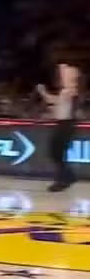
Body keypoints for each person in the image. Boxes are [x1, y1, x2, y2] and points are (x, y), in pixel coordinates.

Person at [36, 61, 79, 192]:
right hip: (63, 124)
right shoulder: (65, 91)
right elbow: (55, 103)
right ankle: (67, 177)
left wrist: (43, 92)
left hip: (66, 124)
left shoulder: (69, 90)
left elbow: (54, 100)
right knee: (56, 153)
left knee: (56, 153)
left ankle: (65, 179)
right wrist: (43, 92)